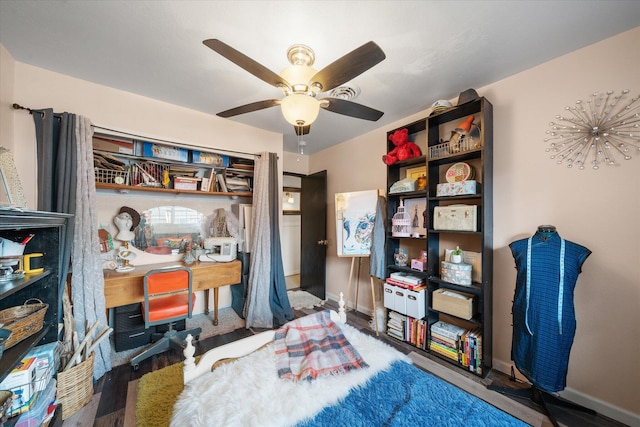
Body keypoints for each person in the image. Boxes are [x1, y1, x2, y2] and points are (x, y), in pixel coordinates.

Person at [509, 225, 591, 393]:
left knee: (551, 354)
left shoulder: (576, 251)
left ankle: (543, 389)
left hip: (558, 318)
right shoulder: (519, 247)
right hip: (526, 314)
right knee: (526, 348)